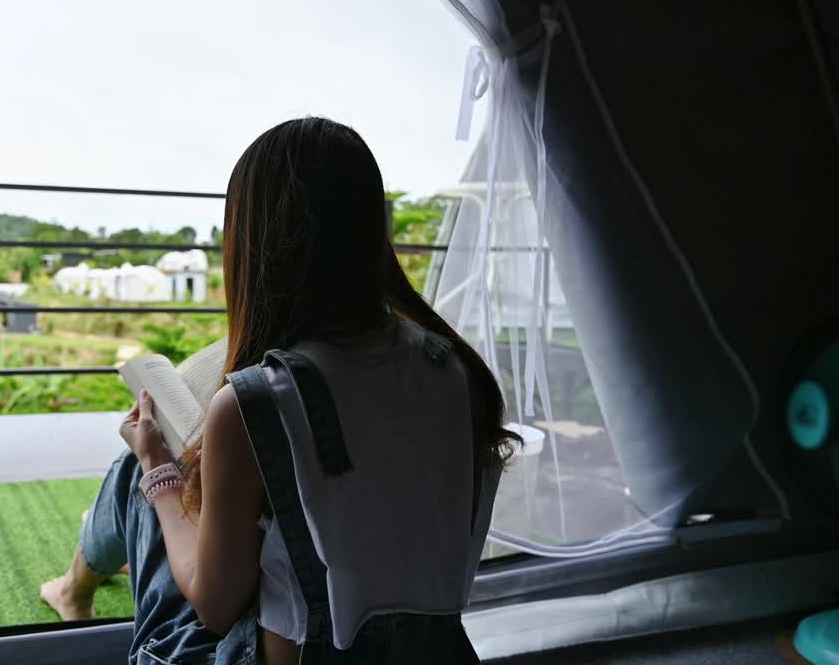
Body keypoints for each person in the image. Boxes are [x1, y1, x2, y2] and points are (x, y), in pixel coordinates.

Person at [40, 117, 518, 664]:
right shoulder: (459, 372)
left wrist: (156, 466)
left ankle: (74, 584)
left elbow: (215, 609)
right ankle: (79, 577)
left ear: (252, 243)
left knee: (144, 471)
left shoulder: (259, 401)